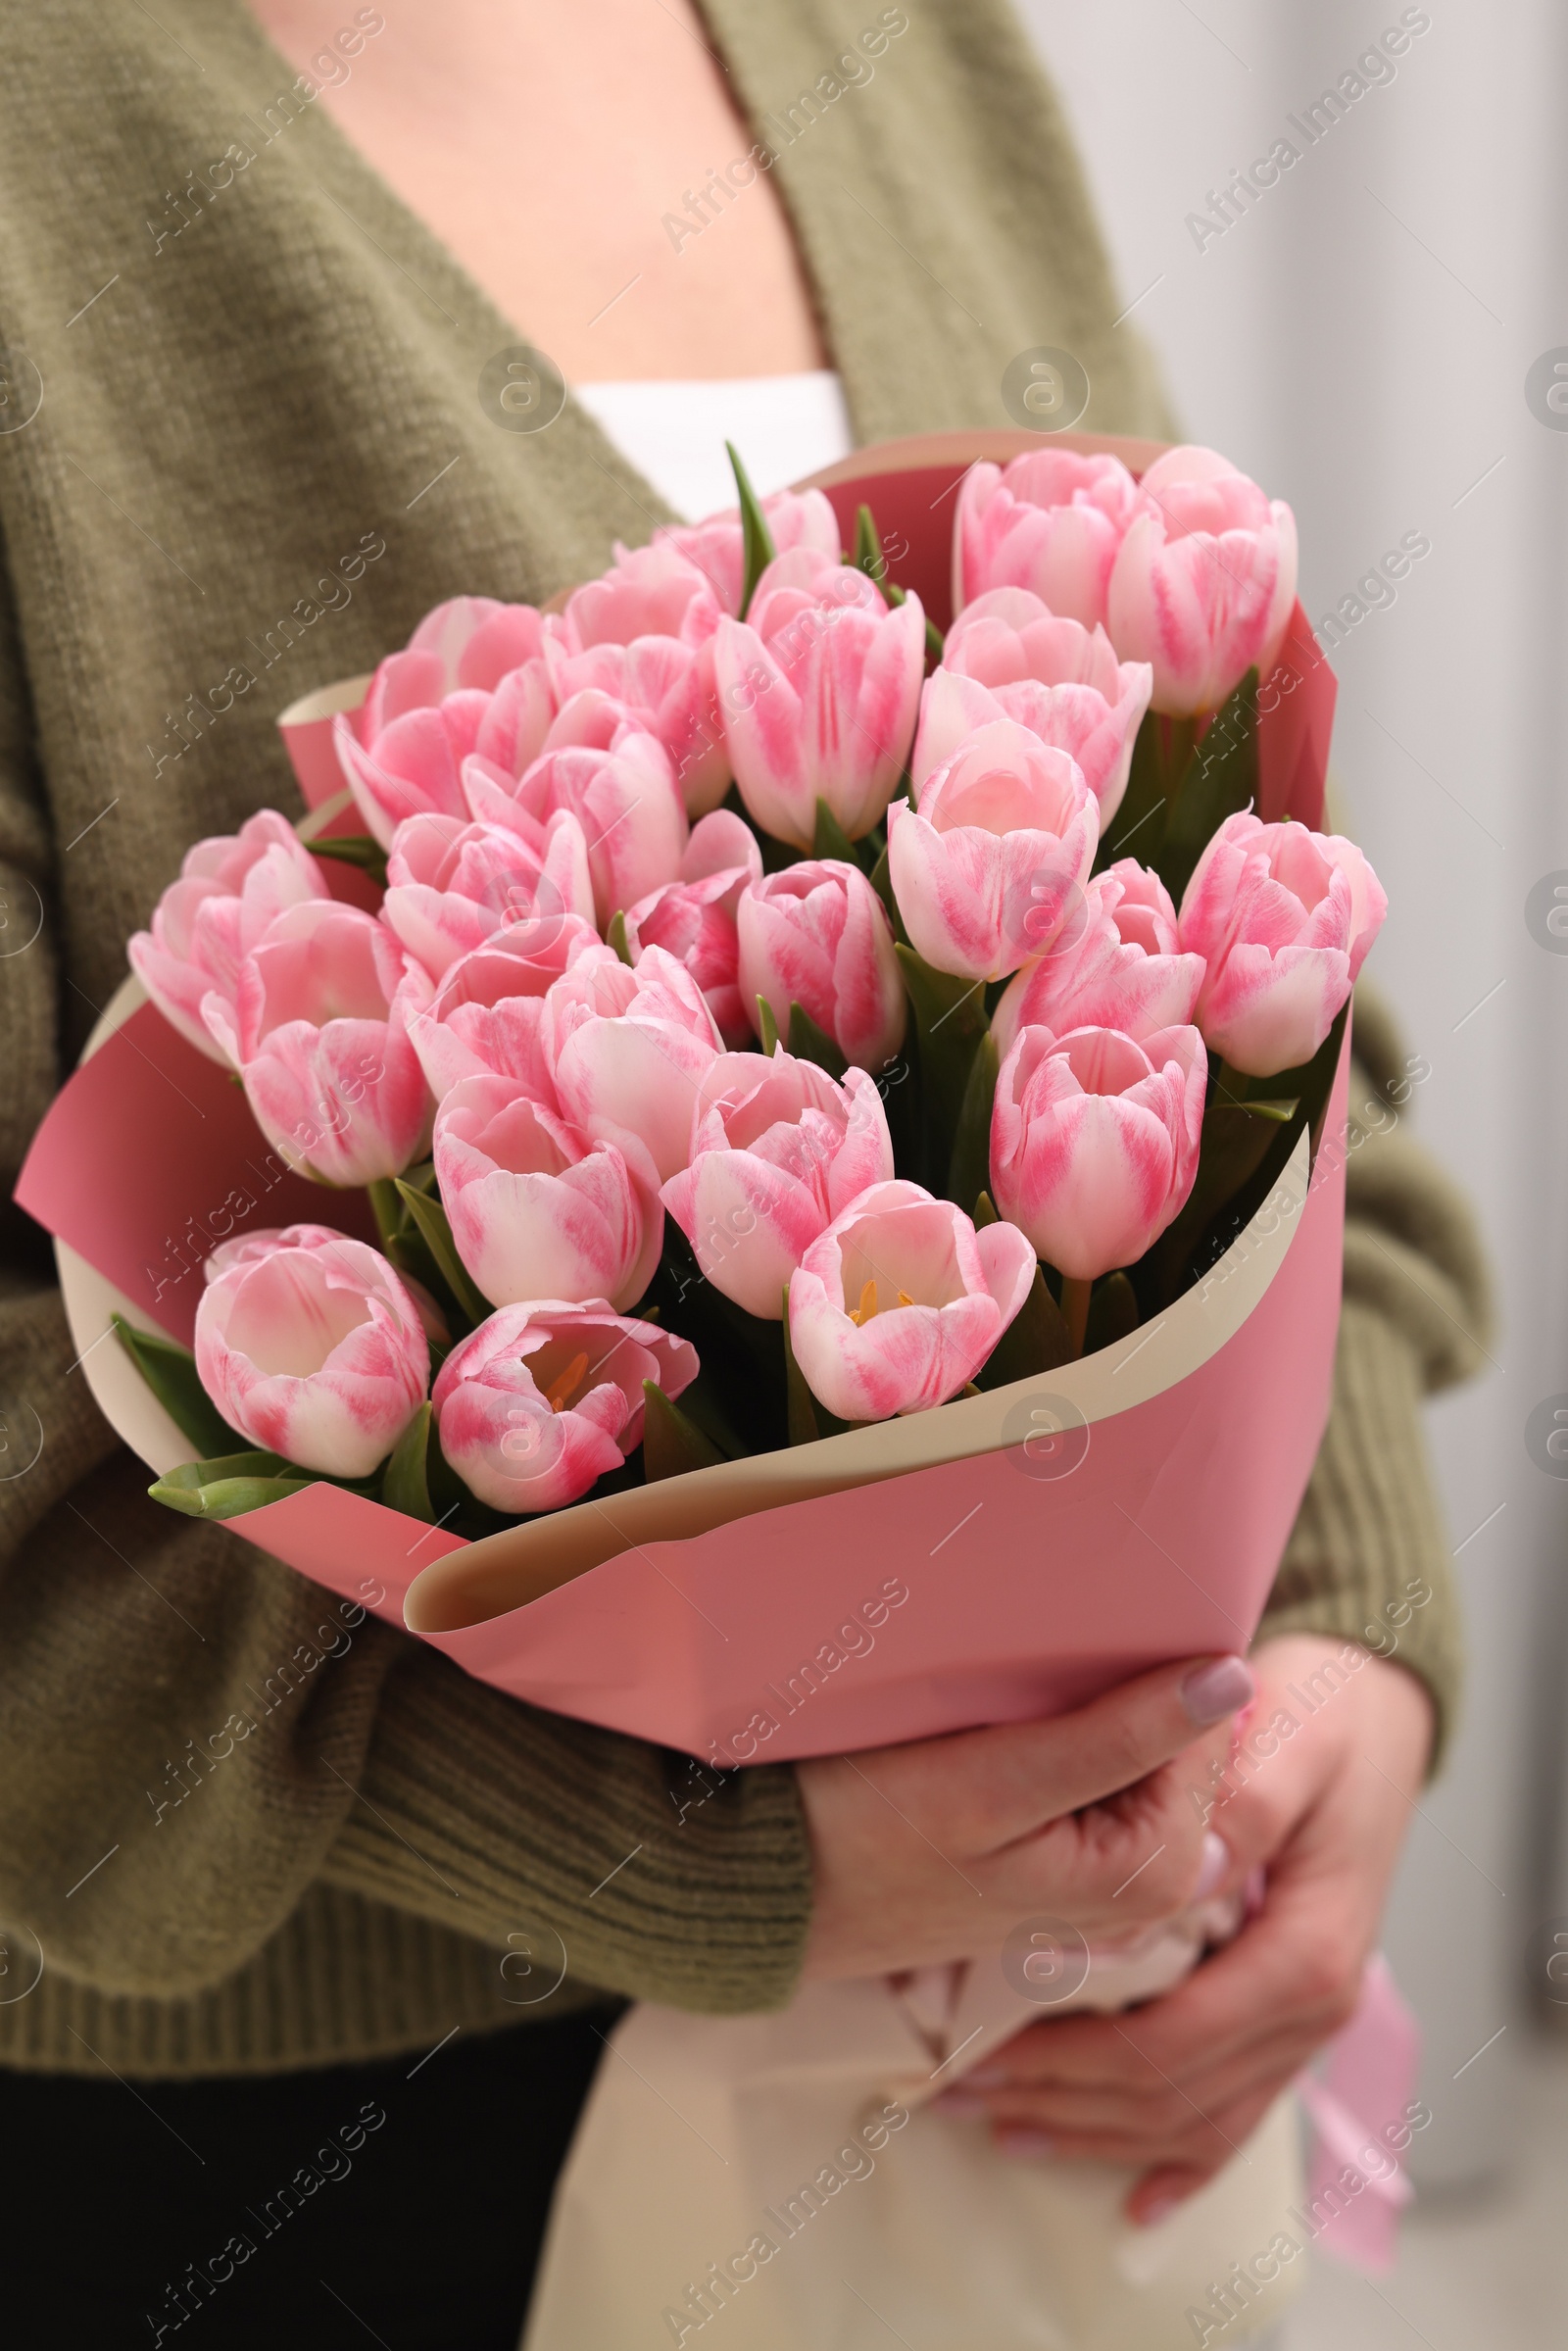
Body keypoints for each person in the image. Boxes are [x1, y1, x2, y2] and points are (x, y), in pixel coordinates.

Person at [0, 3, 1491, 2344]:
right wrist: (690, 1860)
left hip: (1041, 2093)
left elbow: (1232, 950)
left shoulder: (894, 36)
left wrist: (1337, 1641)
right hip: (288, 2175)